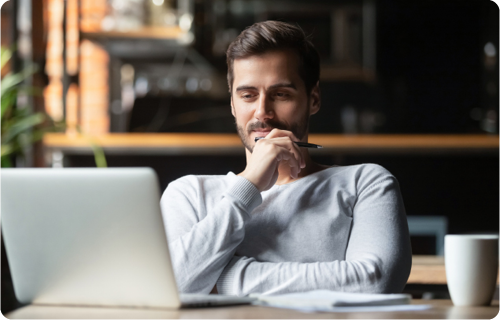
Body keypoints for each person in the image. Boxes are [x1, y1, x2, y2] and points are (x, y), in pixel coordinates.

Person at [160, 21, 412, 296]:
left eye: (281, 94)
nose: (262, 112)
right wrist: (249, 186)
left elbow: (375, 282)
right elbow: (169, 287)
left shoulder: (366, 183)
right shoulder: (188, 194)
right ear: (232, 104)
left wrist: (224, 278)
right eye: (248, 95)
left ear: (313, 99)